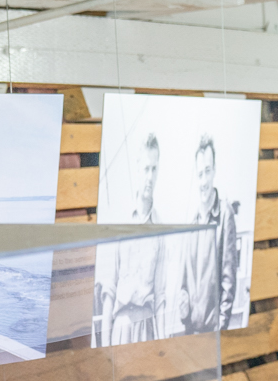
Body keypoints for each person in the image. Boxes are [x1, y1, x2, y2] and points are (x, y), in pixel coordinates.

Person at [95, 133, 167, 344]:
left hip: (148, 328)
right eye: (146, 169)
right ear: (137, 169)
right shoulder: (119, 221)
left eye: (154, 169)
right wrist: (105, 349)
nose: (150, 177)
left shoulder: (161, 228)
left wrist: (164, 347)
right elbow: (109, 292)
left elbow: (161, 297)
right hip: (122, 328)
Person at [176, 134, 239, 334]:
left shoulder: (225, 214)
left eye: (207, 171)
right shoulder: (192, 222)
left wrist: (220, 329)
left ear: (214, 171)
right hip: (190, 332)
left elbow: (229, 281)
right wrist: (183, 312)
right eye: (200, 173)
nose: (203, 180)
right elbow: (184, 284)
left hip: (213, 333)